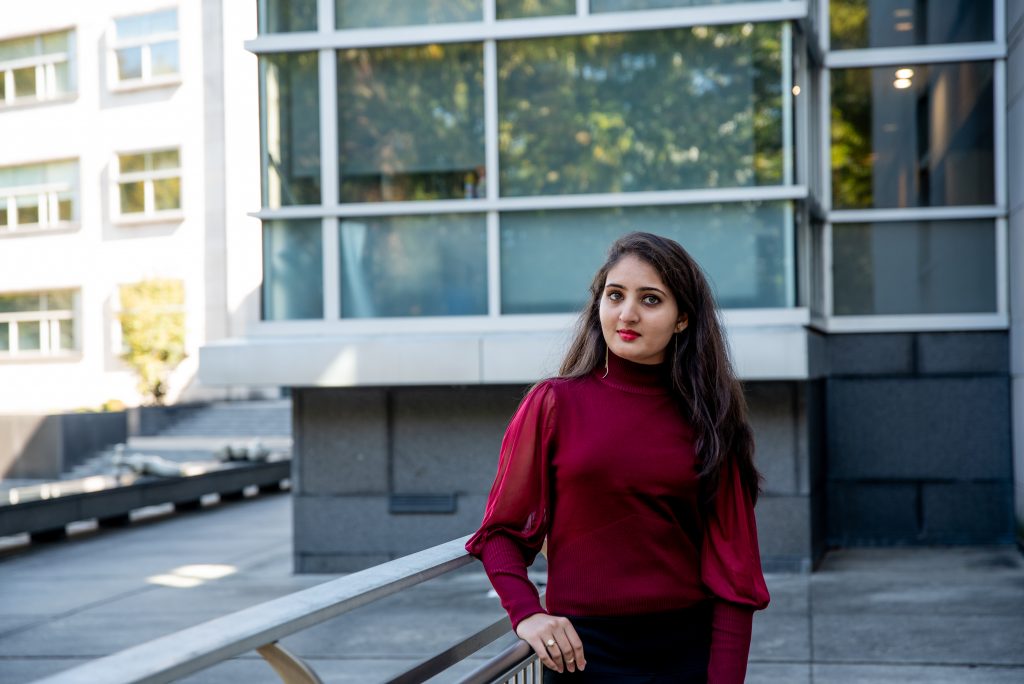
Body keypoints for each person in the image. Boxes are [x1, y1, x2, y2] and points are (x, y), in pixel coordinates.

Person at [465, 232, 770, 683]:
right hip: (581, 658)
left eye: (650, 299)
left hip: (685, 656)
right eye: (615, 295)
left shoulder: (711, 420)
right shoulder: (554, 403)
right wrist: (527, 613)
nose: (627, 314)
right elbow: (501, 532)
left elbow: (735, 577)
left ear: (682, 318)